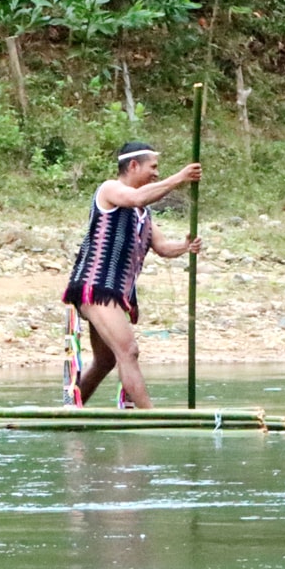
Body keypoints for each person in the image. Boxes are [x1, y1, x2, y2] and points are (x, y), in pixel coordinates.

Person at [61, 141, 202, 409]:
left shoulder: (143, 214)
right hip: (96, 287)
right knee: (129, 351)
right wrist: (181, 178)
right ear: (134, 165)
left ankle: (70, 411)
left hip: (116, 294)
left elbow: (162, 247)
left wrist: (185, 246)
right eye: (153, 167)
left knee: (105, 361)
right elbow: (137, 197)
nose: (157, 173)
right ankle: (152, 418)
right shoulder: (110, 189)